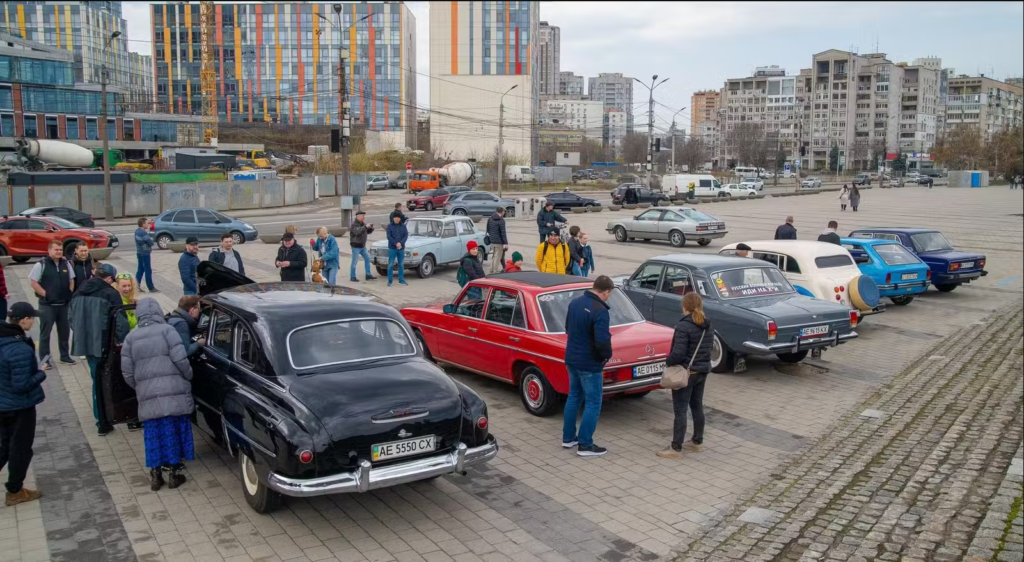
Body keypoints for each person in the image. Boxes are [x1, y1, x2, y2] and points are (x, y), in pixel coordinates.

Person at [120, 298, 194, 491]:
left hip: (148, 395)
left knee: (153, 435)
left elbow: (127, 372)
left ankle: (155, 476)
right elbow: (180, 358)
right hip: (173, 391)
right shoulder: (168, 330)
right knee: (173, 431)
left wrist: (140, 386)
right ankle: (174, 474)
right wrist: (188, 375)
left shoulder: (130, 337)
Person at [69, 263, 129, 436]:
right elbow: (121, 322)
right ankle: (104, 420)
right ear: (109, 278)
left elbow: (70, 318)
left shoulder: (79, 291)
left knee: (96, 378)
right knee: (104, 382)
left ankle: (102, 418)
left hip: (86, 345)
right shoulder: (110, 293)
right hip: (105, 345)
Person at [562, 275, 615, 457]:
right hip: (589, 363)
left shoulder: (574, 303)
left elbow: (568, 328)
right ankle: (585, 445)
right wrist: (606, 357)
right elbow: (602, 340)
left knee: (574, 396)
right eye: (610, 294)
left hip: (571, 358)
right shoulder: (600, 310)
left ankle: (568, 438)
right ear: (606, 292)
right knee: (593, 402)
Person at [656, 293, 713, 459]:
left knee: (680, 410)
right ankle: (697, 442)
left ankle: (676, 448)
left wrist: (668, 361)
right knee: (697, 406)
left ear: (684, 306)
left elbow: (678, 354)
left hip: (686, 373)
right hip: (702, 371)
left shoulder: (683, 326)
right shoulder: (708, 325)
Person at [0, 302, 46, 507]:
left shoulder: (4, 338)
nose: (33, 322)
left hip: (3, 403)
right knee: (21, 449)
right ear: (23, 320)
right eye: (32, 318)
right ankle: (15, 490)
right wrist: (41, 372)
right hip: (18, 407)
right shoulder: (19, 349)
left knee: (5, 446)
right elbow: (21, 385)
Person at [29, 240, 75, 369]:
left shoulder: (66, 263)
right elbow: (33, 282)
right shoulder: (41, 264)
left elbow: (72, 279)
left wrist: (69, 292)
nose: (59, 252)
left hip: (63, 305)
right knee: (45, 334)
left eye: (60, 250)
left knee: (64, 332)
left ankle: (65, 356)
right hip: (47, 306)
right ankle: (45, 360)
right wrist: (46, 294)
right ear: (49, 250)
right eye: (56, 250)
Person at [349, 211, 377, 282]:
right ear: (358, 216)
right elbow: (357, 232)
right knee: (354, 262)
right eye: (362, 216)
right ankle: (352, 277)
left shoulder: (362, 224)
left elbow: (366, 232)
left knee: (367, 259)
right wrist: (365, 227)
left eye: (364, 216)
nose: (364, 217)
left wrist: (371, 228)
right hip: (356, 246)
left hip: (362, 246)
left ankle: (368, 275)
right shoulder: (354, 225)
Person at [134, 218, 158, 293]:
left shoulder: (137, 231)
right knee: (148, 270)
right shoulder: (143, 233)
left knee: (140, 270)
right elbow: (151, 242)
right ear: (143, 224)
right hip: (145, 254)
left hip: (139, 253)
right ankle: (151, 287)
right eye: (147, 223)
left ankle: (136, 286)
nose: (148, 224)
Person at [386, 213, 409, 286]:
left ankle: (401, 279)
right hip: (392, 248)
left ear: (400, 219)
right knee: (391, 264)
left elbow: (405, 236)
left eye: (398, 218)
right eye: (395, 217)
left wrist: (401, 243)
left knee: (401, 264)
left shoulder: (403, 226)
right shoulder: (389, 226)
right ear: (393, 218)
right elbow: (389, 236)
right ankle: (390, 280)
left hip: (401, 248)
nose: (397, 219)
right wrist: (396, 243)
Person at [486, 207, 509, 274]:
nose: (504, 213)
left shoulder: (490, 218)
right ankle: (495, 271)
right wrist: (505, 243)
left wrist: (492, 237)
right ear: (502, 212)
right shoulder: (501, 220)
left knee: (494, 256)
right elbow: (503, 233)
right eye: (504, 211)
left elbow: (488, 229)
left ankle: (491, 269)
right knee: (497, 257)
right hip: (499, 242)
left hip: (492, 240)